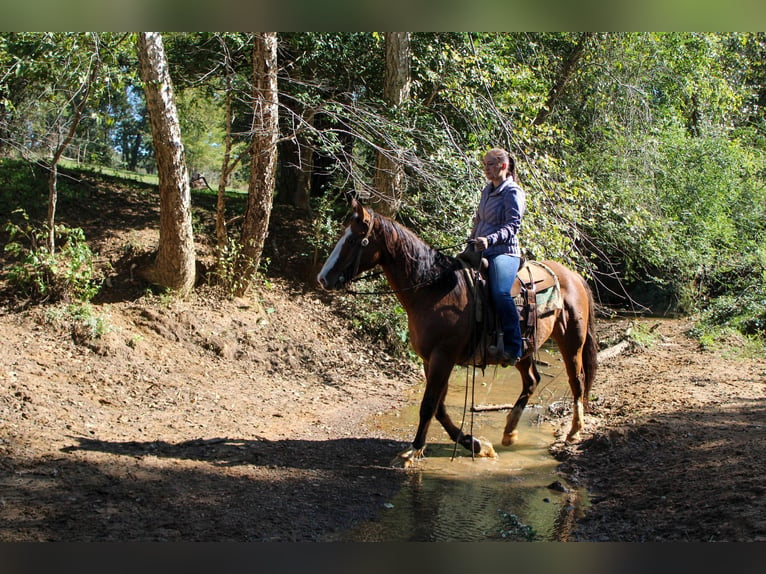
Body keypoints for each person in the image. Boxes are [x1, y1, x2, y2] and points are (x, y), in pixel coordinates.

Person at [469, 148, 526, 365]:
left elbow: (512, 226)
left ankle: (514, 346)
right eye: (485, 165)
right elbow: (479, 221)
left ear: (503, 166)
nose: (486, 169)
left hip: (505, 251)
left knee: (501, 292)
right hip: (481, 249)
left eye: (490, 165)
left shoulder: (512, 192)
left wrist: (490, 240)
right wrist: (471, 242)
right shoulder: (487, 190)